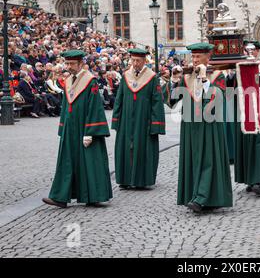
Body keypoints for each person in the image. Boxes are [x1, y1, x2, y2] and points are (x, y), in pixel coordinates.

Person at [163, 43, 232, 212]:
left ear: (207, 58)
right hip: (190, 125)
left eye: (198, 57)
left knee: (209, 160)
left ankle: (203, 197)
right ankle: (194, 195)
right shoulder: (186, 77)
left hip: (210, 126)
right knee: (193, 159)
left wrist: (204, 79)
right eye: (192, 57)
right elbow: (171, 102)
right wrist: (173, 81)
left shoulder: (217, 75)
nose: (194, 60)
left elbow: (221, 98)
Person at [42, 50, 112, 208]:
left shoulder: (90, 81)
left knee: (88, 161)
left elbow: (95, 107)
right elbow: (66, 106)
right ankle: (60, 197)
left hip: (85, 128)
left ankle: (93, 195)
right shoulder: (67, 81)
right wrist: (62, 127)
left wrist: (90, 132)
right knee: (66, 162)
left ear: (81, 64)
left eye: (72, 64)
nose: (69, 67)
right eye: (67, 63)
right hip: (70, 128)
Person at [112, 49, 166, 190]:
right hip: (126, 119)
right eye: (133, 60)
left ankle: (141, 180)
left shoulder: (152, 78)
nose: (135, 63)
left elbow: (157, 102)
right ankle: (125, 179)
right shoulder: (125, 76)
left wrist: (156, 124)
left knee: (142, 148)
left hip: (144, 120)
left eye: (138, 61)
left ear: (144, 61)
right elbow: (119, 98)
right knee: (125, 148)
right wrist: (116, 119)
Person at [233, 43, 260, 197]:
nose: (250, 52)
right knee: (247, 145)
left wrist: (259, 75)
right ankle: (250, 179)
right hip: (244, 111)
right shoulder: (239, 67)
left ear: (258, 52)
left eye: (253, 50)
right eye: (247, 50)